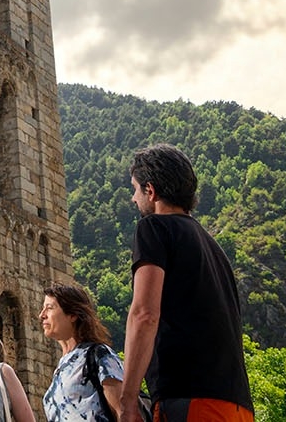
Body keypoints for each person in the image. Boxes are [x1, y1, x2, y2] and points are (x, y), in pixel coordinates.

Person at [120, 145, 253, 422]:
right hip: (236, 405)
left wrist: (128, 400)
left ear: (151, 191)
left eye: (135, 189)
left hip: (189, 400)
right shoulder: (213, 247)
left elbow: (144, 314)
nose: (133, 199)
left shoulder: (154, 228)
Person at [39, 284, 124, 422]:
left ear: (72, 314)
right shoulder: (61, 368)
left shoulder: (99, 354)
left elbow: (124, 413)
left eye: (49, 308)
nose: (42, 315)